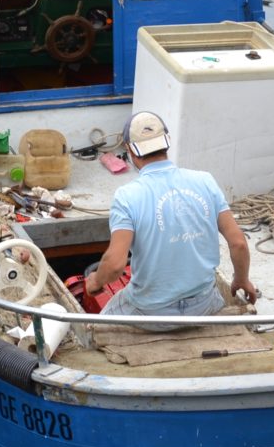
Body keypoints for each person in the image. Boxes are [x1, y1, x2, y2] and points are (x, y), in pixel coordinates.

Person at [84, 111, 259, 327]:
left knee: (96, 327)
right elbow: (239, 243)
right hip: (204, 306)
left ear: (130, 150)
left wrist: (95, 281)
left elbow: (114, 265)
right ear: (167, 141)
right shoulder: (205, 181)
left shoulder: (126, 197)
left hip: (151, 312)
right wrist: (242, 279)